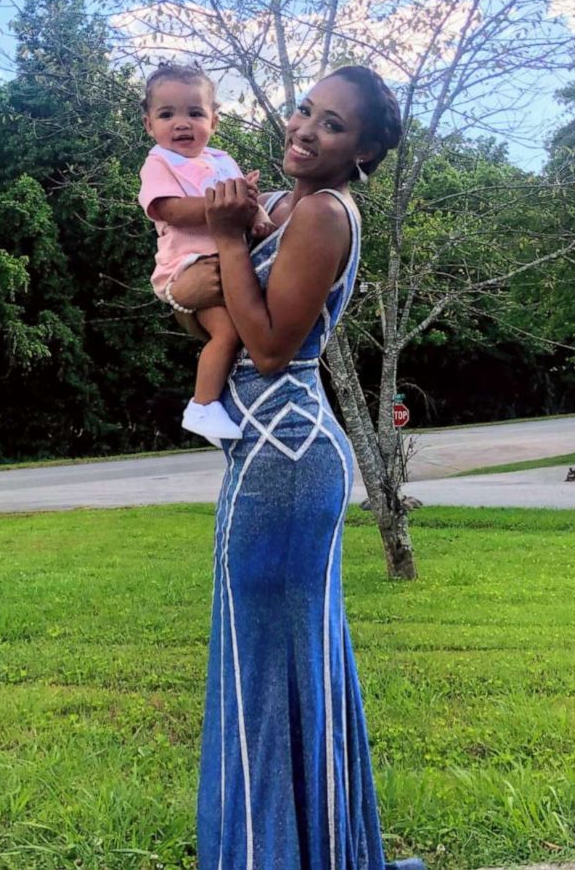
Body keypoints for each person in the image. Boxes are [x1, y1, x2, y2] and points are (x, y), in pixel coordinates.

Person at [168, 66, 424, 870]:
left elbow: (273, 347)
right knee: (279, 665)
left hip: (286, 458)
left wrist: (233, 240)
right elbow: (211, 309)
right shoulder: (281, 203)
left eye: (334, 125)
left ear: (367, 151)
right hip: (270, 452)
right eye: (305, 110)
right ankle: (309, 850)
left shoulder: (321, 214)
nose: (305, 129)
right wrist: (193, 282)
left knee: (266, 674)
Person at [138, 62, 275, 443]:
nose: (182, 123)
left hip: (229, 264)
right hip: (186, 266)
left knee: (248, 328)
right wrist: (221, 207)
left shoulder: (221, 161)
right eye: (167, 114)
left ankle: (225, 403)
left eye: (195, 113)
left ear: (214, 120)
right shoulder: (159, 162)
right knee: (227, 332)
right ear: (150, 124)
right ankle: (202, 405)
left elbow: (245, 199)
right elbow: (167, 209)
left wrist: (258, 213)